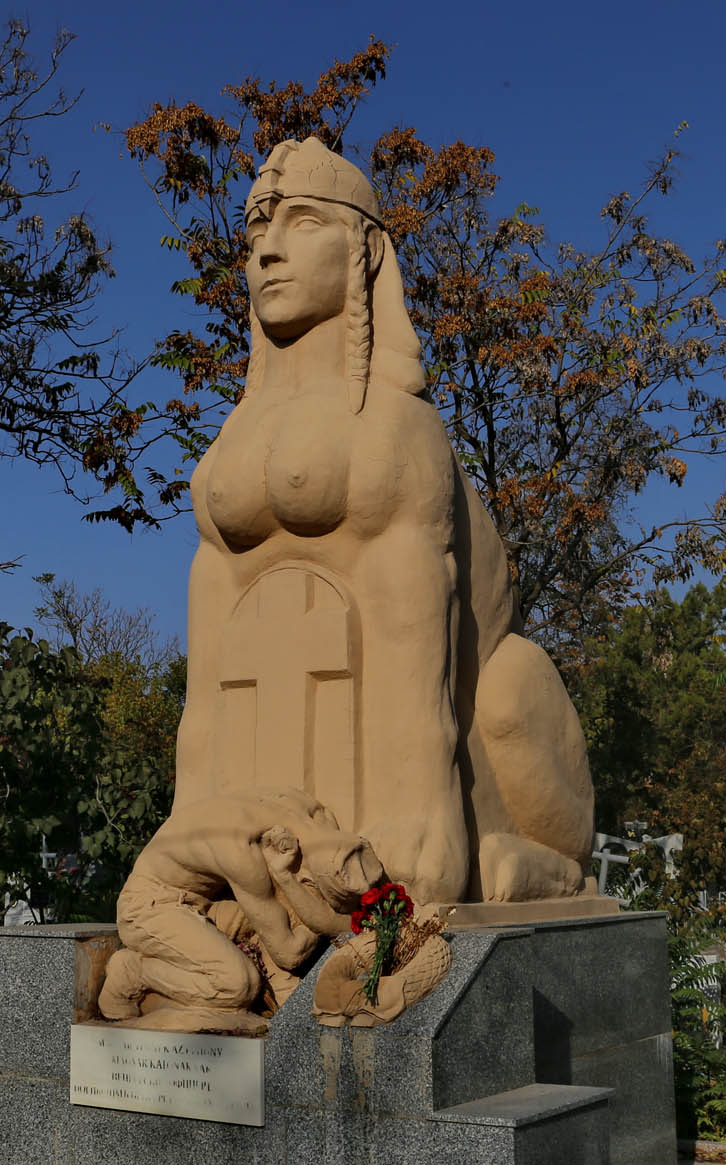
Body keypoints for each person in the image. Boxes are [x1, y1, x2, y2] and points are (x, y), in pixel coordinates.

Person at [174, 136, 594, 904]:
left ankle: (552, 864)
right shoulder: (237, 436)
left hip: (475, 738)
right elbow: (209, 667)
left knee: (511, 687)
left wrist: (416, 832)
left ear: (365, 250)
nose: (267, 250)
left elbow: (411, 622)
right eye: (258, 227)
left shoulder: (398, 425)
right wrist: (189, 828)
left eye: (303, 222)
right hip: (294, 777)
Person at [98, 787, 384, 1031]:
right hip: (149, 907)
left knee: (280, 914)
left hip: (203, 902)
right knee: (237, 985)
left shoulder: (307, 810)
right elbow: (289, 953)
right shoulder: (242, 855)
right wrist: (313, 908)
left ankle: (281, 993)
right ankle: (134, 972)